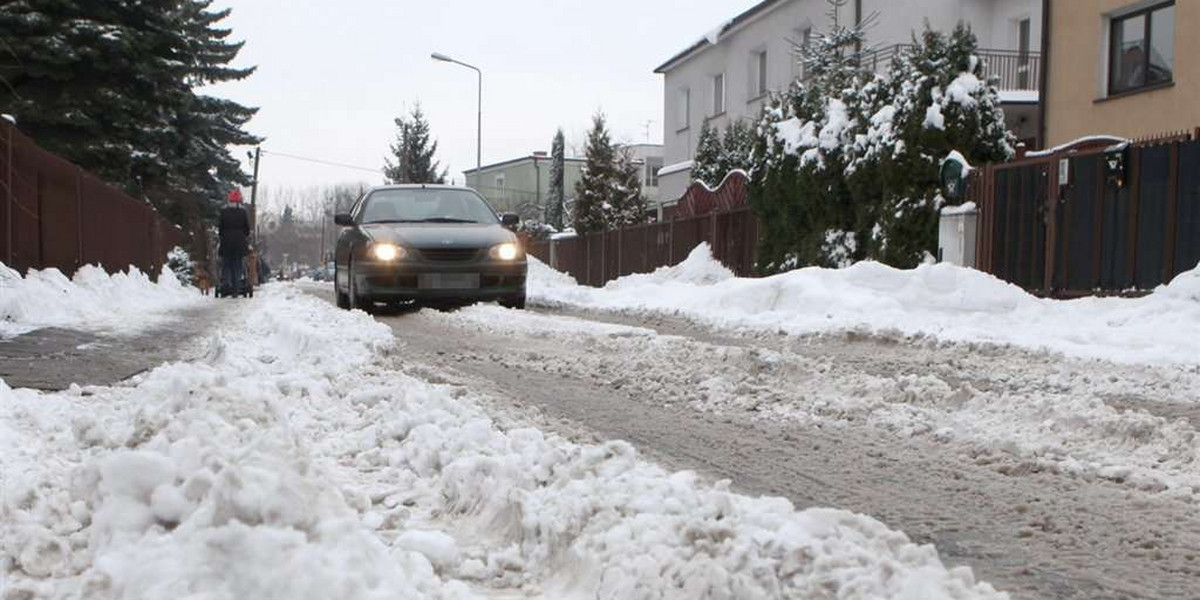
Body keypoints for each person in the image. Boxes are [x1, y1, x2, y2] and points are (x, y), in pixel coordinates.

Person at [218, 189, 251, 294]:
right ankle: (236, 286)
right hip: (239, 242)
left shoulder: (224, 212)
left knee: (226, 264)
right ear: (238, 201)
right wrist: (243, 235)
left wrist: (223, 236)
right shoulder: (242, 212)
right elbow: (247, 229)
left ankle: (227, 284)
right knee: (237, 264)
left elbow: (221, 228)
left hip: (226, 242)